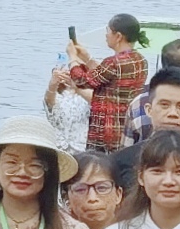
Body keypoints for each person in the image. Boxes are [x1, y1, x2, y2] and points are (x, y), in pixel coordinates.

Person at [61, 15, 149, 156]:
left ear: (118, 36)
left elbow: (81, 80)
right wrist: (87, 58)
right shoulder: (140, 60)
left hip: (106, 130)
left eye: (108, 31)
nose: (106, 35)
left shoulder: (113, 63)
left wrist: (73, 57)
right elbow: (106, 76)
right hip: (126, 127)